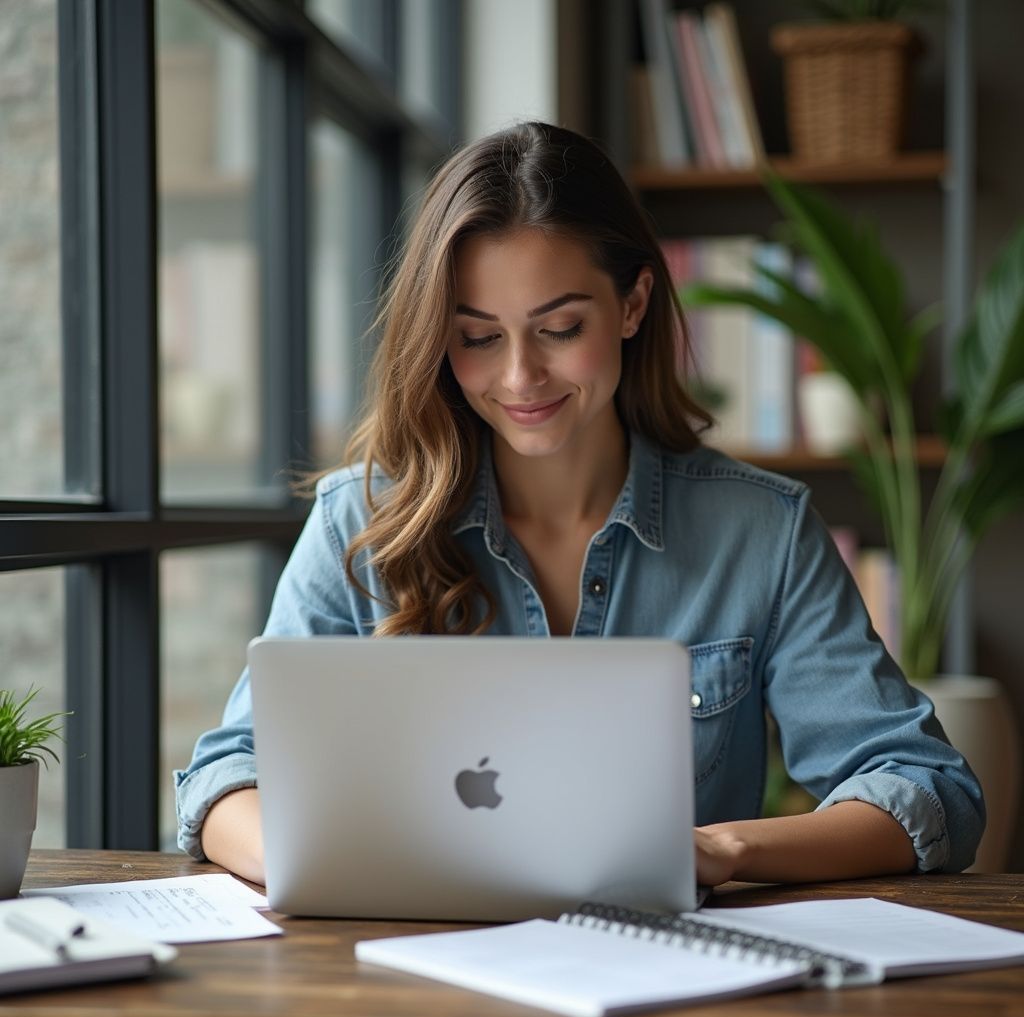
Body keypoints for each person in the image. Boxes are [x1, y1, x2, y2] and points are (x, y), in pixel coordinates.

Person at [175, 122, 983, 888]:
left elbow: (928, 789)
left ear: (633, 305)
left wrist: (719, 849)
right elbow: (226, 774)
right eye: (479, 337)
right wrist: (310, 856)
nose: (521, 377)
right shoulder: (361, 520)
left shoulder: (761, 531)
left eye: (560, 327)